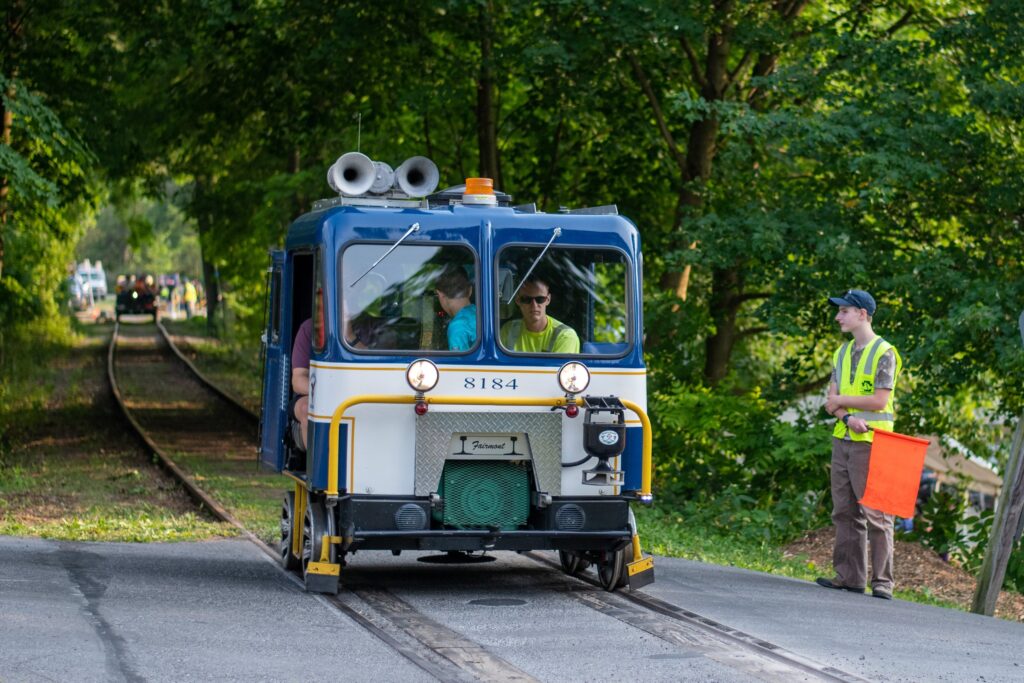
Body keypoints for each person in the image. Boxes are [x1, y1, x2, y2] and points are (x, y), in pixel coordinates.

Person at [816, 289, 903, 601]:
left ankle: (883, 582)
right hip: (844, 438)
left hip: (874, 442)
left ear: (863, 314)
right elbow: (831, 402)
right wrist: (846, 414)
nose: (838, 317)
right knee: (845, 511)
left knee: (878, 514)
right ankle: (850, 577)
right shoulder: (842, 353)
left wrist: (841, 403)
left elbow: (880, 400)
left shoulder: (884, 352)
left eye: (844, 311)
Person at [500, 276, 580, 353]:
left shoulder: (566, 336)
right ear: (517, 300)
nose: (534, 305)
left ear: (548, 300)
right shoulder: (508, 330)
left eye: (540, 299)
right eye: (526, 299)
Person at [435, 266, 477, 351]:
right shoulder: (481, 314)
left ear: (440, 295)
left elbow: (459, 363)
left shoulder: (458, 326)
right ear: (470, 290)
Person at [291, 318, 313, 449]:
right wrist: (326, 393)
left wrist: (349, 332)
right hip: (317, 393)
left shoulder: (369, 325)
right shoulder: (309, 328)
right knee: (307, 409)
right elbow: (298, 381)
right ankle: (315, 468)